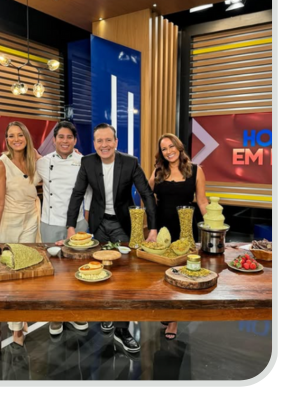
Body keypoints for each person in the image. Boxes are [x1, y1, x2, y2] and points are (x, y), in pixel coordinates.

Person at [66, 123, 158, 354]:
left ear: (116, 142)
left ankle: (121, 329)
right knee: (99, 270)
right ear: (94, 143)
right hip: (98, 224)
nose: (104, 145)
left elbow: (146, 193)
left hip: (121, 223)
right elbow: (77, 194)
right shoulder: (88, 162)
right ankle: (107, 314)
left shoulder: (130, 162)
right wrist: (70, 227)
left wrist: (153, 229)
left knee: (125, 276)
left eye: (108, 140)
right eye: (99, 141)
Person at [149, 133, 208, 340]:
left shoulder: (196, 170)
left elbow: (202, 201)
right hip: (162, 227)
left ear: (179, 147)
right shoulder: (159, 171)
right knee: (162, 272)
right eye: (164, 149)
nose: (169, 151)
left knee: (181, 273)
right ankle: (167, 308)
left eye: (171, 146)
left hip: (185, 227)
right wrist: (150, 226)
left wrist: (214, 227)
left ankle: (174, 318)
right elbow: (146, 195)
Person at [36, 121, 92, 336]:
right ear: (54, 140)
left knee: (77, 270)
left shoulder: (83, 161)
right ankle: (56, 316)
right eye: (61, 137)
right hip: (50, 223)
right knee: (53, 272)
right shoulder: (43, 162)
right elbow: (24, 169)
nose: (65, 141)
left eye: (69, 137)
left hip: (77, 223)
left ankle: (77, 312)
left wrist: (85, 222)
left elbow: (89, 194)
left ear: (75, 140)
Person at [0, 121, 41, 345]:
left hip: (31, 219)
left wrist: (75, 154)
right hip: (10, 222)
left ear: (26, 137)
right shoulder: (2, 165)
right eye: (11, 136)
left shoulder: (35, 158)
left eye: (20, 135)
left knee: (26, 272)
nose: (16, 139)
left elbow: (55, 164)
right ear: (6, 140)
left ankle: (22, 316)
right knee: (12, 276)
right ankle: (16, 329)